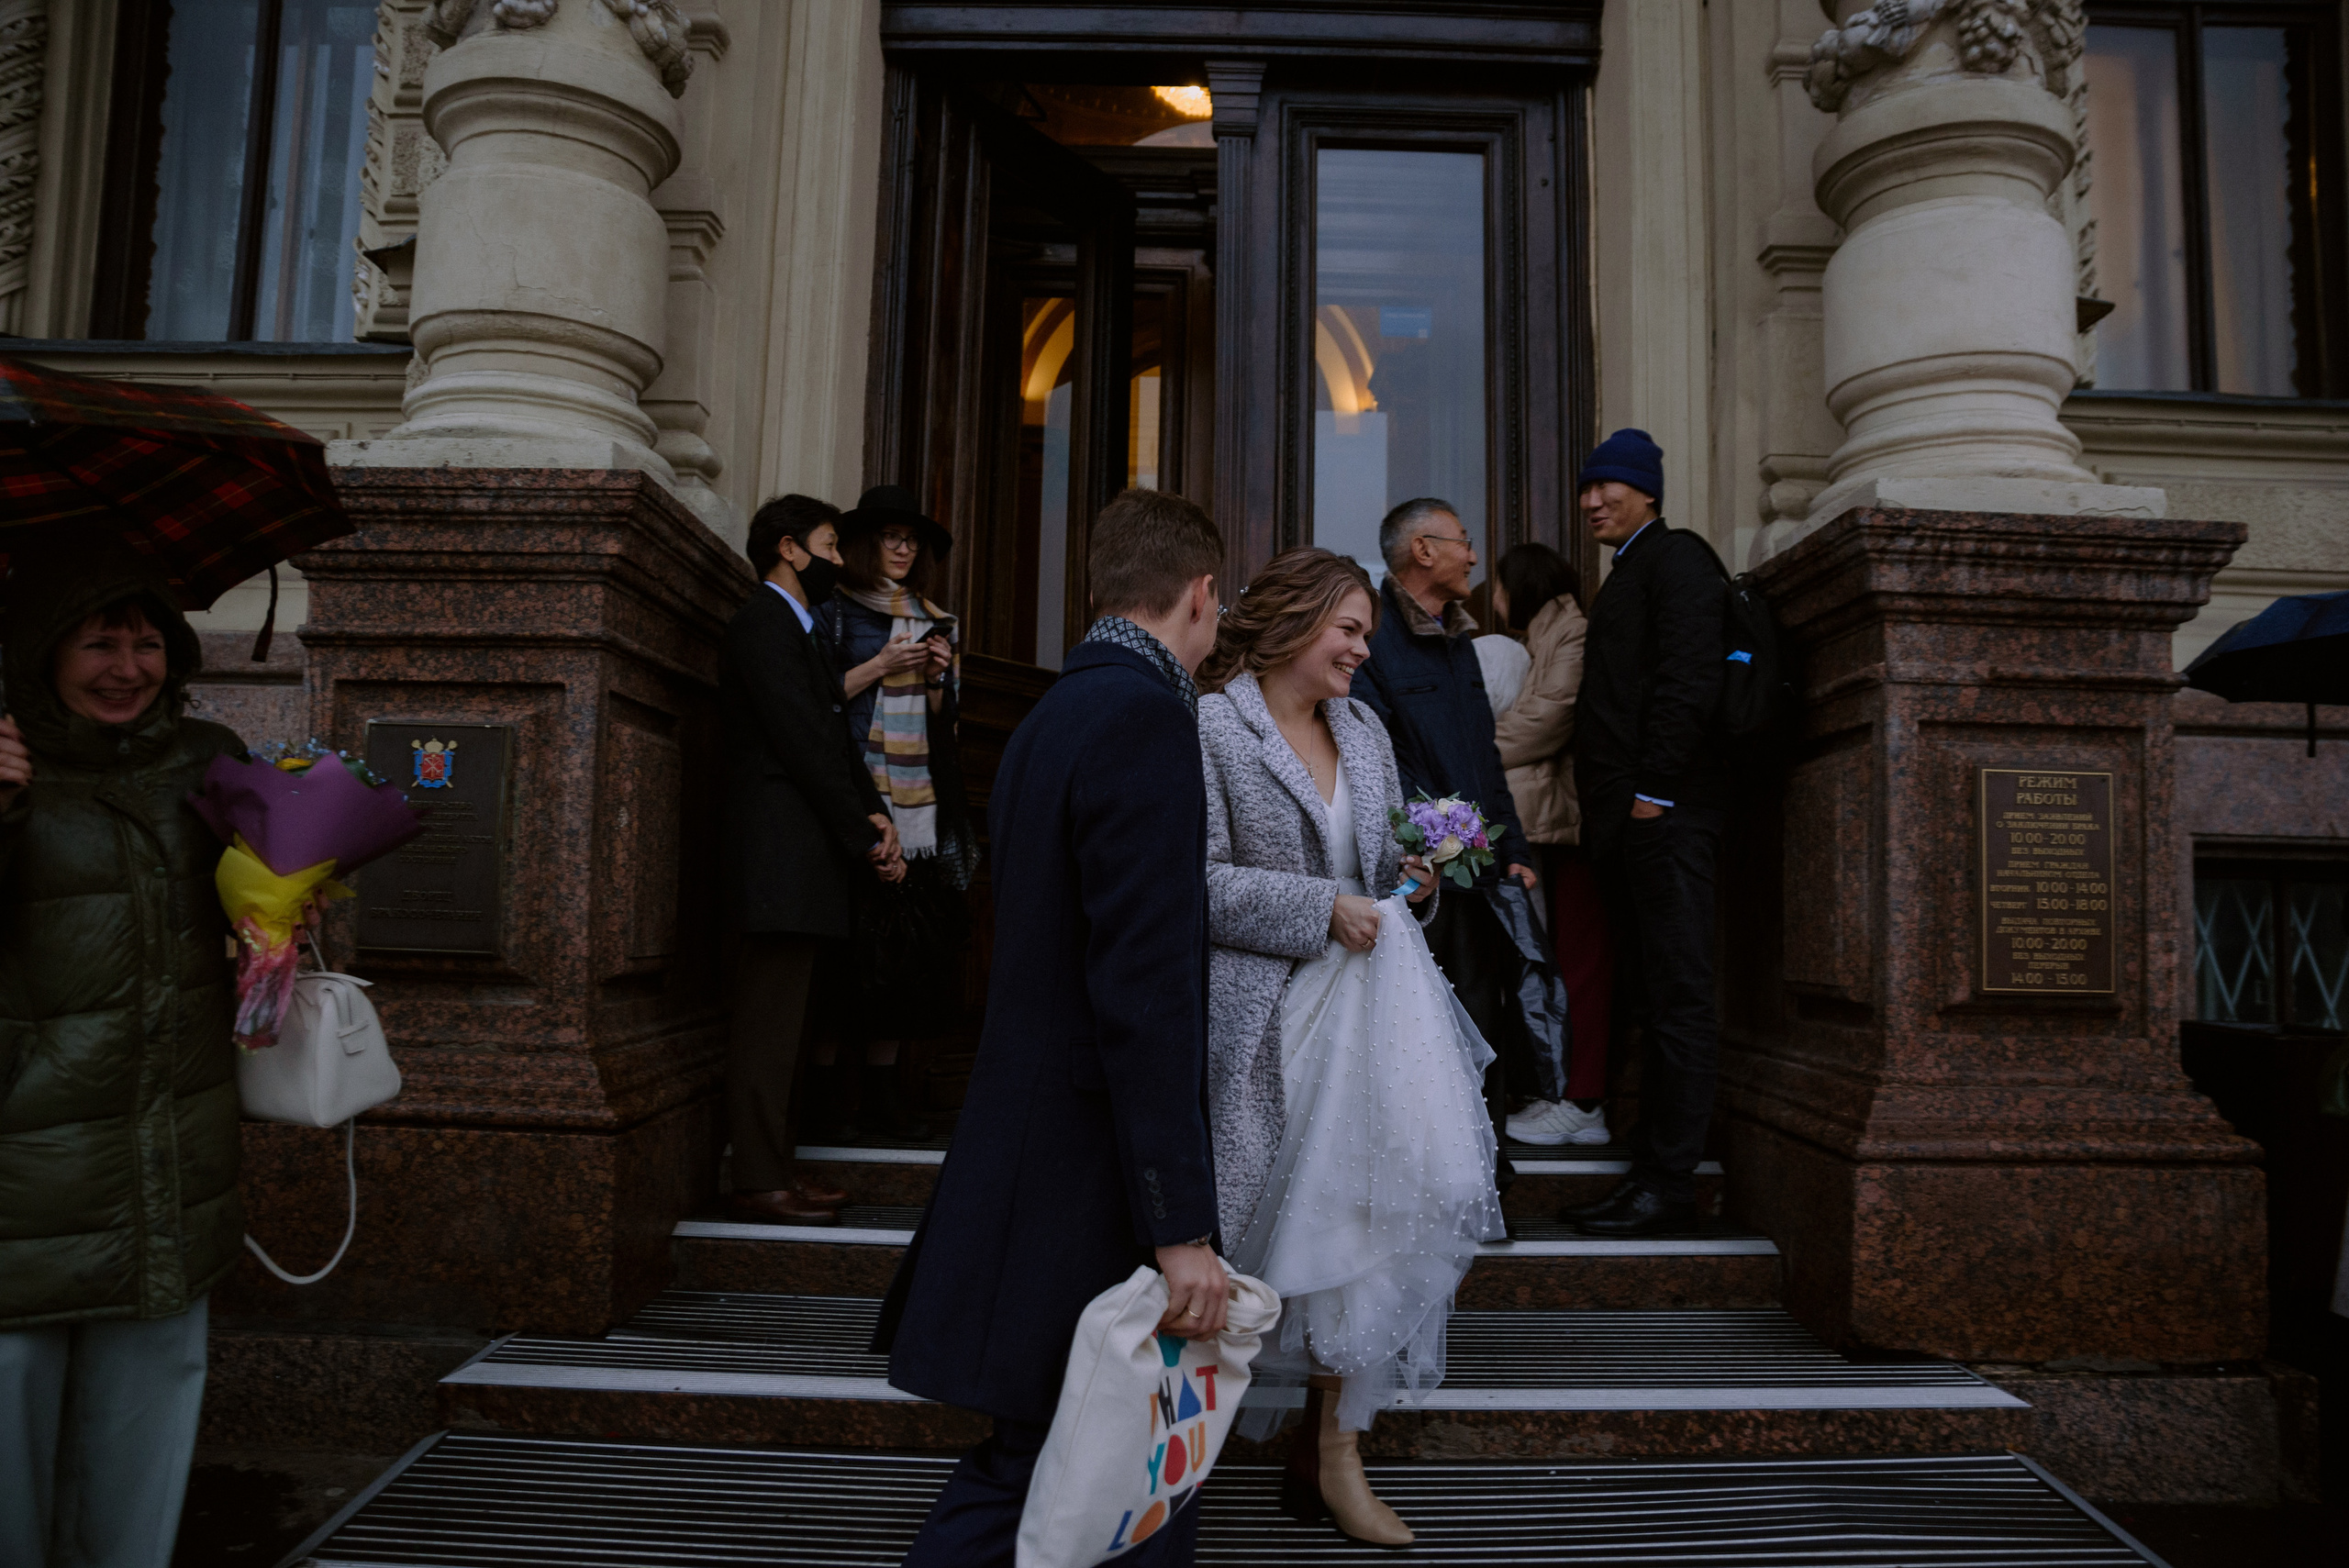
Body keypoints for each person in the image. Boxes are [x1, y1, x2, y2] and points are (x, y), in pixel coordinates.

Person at [875, 488, 1230, 1568]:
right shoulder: (1144, 716)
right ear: (1203, 597)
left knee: (1092, 1467)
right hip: (1087, 1167)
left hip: (1040, 1142)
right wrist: (1180, 1224)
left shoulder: (1051, 715)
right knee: (1054, 1460)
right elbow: (1143, 986)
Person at [1197, 548, 1501, 1548]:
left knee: (1395, 1205)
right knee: (1279, 1228)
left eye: (1367, 632)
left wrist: (1405, 875)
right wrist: (1317, 906)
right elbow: (1186, 881)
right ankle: (1176, 1444)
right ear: (1290, 624)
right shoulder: (1212, 726)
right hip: (1272, 1014)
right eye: (1350, 630)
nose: (1364, 652)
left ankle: (1335, 1448)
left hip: (1381, 1012)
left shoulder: (1363, 727)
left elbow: (1369, 865)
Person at [0, 550, 248, 1567]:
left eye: (146, 640)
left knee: (147, 1420)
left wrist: (289, 904)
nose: (126, 664)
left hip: (166, 1159)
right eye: (98, 639)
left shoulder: (207, 757)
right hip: (25, 1168)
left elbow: (257, 912)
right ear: (40, 651)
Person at [1560, 428, 1731, 1237]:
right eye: (1588, 487)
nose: (1593, 500)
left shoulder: (1678, 559)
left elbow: (1689, 679)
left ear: (1649, 493)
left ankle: (1668, 1183)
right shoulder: (1631, 571)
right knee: (1655, 997)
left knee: (1678, 998)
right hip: (1633, 831)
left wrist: (1653, 796)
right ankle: (1649, 1159)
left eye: (1611, 487)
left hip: (1666, 822)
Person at [718, 495, 905, 1227]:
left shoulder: (805, 630)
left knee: (794, 1023)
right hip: (778, 860)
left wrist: (876, 816)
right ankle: (759, 1178)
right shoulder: (762, 623)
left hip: (807, 859)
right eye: (830, 546)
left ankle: (778, 1169)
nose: (839, 561)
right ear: (789, 549)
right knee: (769, 1024)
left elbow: (832, 740)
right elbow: (800, 741)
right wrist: (862, 834)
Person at [1349, 497, 1536, 1173]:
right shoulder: (1372, 636)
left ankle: (1488, 1175)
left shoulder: (1459, 638)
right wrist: (1428, 834)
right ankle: (1425, 1175)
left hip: (1478, 874)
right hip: (1415, 874)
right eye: (1463, 541)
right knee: (1417, 1032)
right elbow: (1376, 752)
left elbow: (1486, 757)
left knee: (1484, 1024)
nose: (1475, 557)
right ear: (1423, 550)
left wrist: (1513, 848)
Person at [807, 484, 974, 1140]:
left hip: (918, 807)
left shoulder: (938, 619)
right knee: (842, 957)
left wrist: (935, 679)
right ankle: (822, 1103)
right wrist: (882, 662)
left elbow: (946, 727)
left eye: (912, 540)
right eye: (891, 536)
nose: (904, 548)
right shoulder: (835, 610)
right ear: (863, 544)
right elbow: (816, 700)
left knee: (903, 963)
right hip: (853, 800)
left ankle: (881, 1100)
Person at [1489, 542, 1615, 1149]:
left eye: (1498, 584)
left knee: (1578, 959)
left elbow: (1551, 716)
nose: (1493, 598)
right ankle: (1558, 1090)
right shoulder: (1547, 633)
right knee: (1553, 959)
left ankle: (1580, 1100)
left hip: (1572, 819)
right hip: (1553, 819)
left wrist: (1475, 748)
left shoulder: (1570, 631)